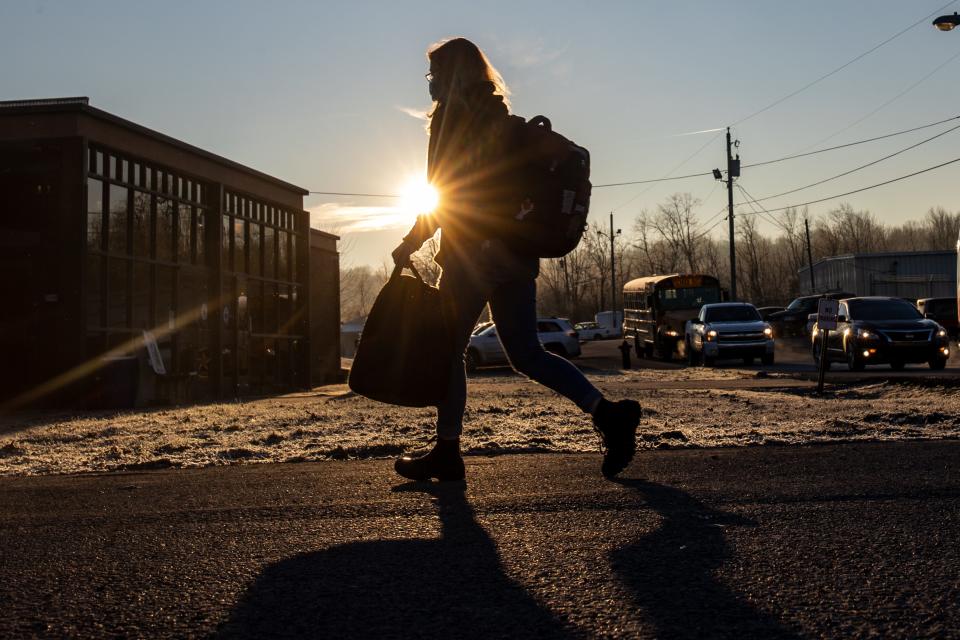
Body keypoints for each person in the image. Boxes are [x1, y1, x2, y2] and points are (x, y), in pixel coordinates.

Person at [391, 37, 640, 482]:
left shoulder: (450, 122)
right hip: (516, 254)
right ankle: (608, 414)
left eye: (433, 75)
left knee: (447, 353)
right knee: (527, 354)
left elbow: (445, 193)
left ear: (451, 76)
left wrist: (412, 240)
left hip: (473, 255)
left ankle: (447, 450)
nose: (429, 84)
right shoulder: (501, 120)